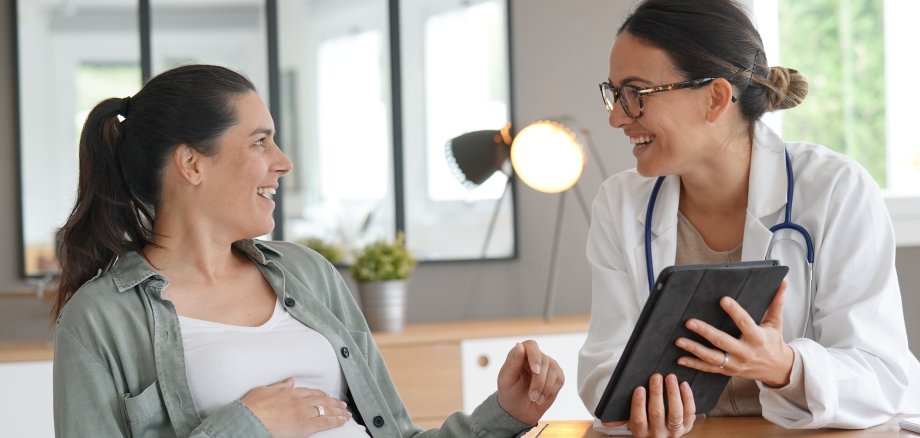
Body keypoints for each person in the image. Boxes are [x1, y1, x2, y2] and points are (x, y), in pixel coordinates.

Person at [52, 64, 564, 437]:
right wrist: (247, 426)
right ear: (191, 163)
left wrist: (505, 412)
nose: (283, 162)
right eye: (259, 142)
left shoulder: (307, 274)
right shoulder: (99, 320)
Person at [577, 0, 920, 436]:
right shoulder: (620, 204)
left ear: (716, 97)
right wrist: (642, 403)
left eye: (636, 94)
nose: (616, 117)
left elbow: (882, 374)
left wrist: (786, 367)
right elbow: (604, 365)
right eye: (614, 93)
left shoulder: (836, 190)